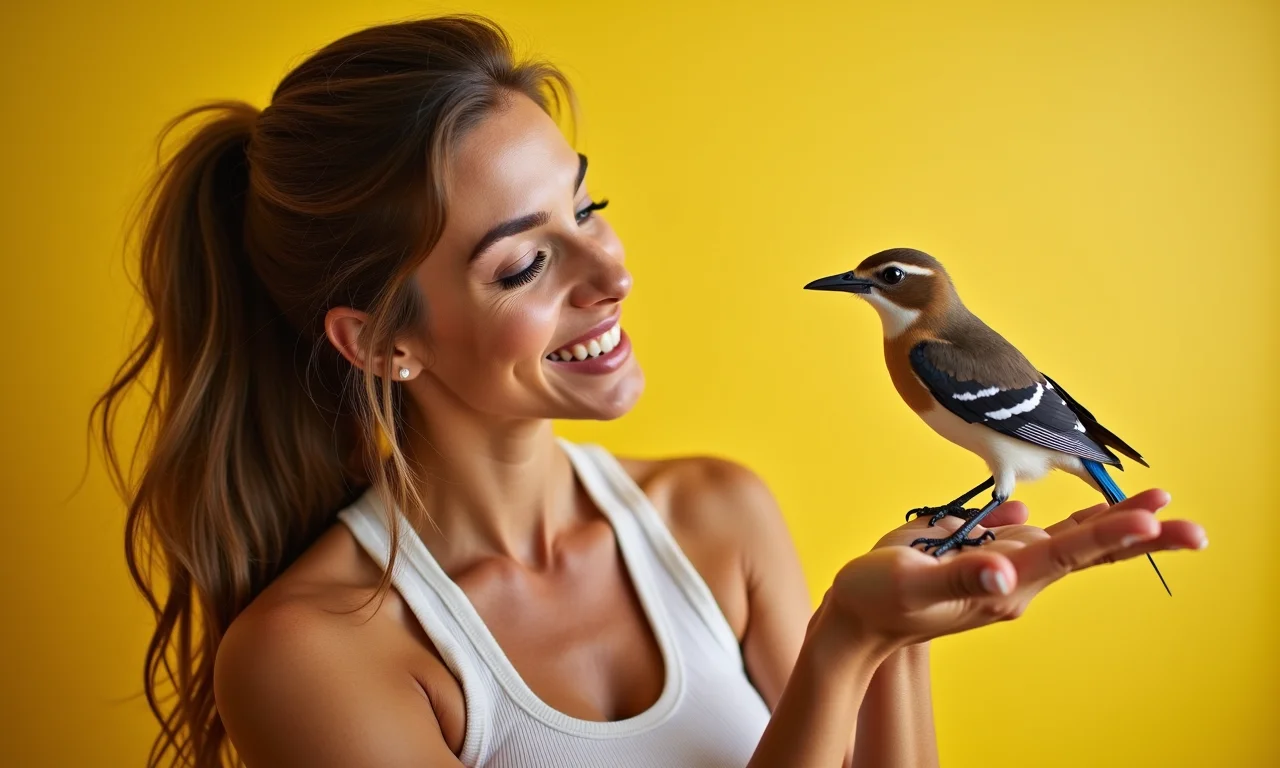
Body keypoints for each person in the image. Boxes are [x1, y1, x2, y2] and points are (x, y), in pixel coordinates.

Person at [93, 14, 1205, 768]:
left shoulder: (717, 515)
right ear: (382, 342)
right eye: (525, 261)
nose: (612, 271)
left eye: (586, 207)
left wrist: (895, 633)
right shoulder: (313, 657)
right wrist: (839, 652)